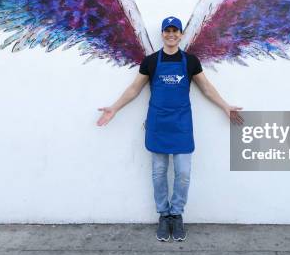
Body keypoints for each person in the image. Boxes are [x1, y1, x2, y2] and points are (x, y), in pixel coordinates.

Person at [97, 16, 243, 242]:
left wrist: (225, 106)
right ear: (163, 34)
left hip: (182, 124)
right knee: (158, 173)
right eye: (168, 30)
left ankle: (177, 213)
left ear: (181, 34)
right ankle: (164, 215)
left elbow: (206, 88)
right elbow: (134, 89)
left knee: (183, 174)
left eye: (176, 30)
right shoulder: (151, 61)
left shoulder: (191, 61)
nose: (172, 34)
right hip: (158, 124)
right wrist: (114, 108)